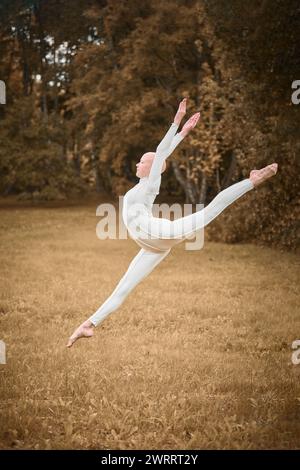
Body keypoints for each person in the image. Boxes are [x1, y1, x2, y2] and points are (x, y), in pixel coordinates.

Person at [67, 98, 278, 347]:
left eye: (142, 162)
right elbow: (163, 152)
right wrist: (184, 133)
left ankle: (252, 181)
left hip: (159, 232)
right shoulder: (142, 185)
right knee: (124, 285)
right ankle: (89, 325)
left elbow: (161, 151)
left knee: (209, 211)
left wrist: (176, 122)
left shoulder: (150, 184)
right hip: (153, 245)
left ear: (152, 167)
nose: (137, 163)